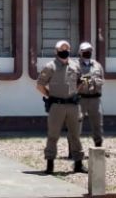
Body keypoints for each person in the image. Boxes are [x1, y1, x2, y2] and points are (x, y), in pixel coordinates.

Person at [37, 40, 85, 174]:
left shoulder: (75, 66)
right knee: (53, 135)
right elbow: (40, 85)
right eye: (62, 49)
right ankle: (50, 165)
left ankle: (78, 164)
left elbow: (80, 81)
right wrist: (50, 95)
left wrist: (78, 89)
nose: (65, 50)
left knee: (75, 135)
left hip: (73, 105)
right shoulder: (50, 66)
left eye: (67, 48)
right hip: (57, 106)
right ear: (56, 51)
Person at [77, 42, 105, 150]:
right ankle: (74, 150)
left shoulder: (97, 65)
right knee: (76, 124)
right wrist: (84, 80)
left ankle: (98, 147)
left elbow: (102, 79)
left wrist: (95, 82)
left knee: (97, 124)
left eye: (89, 51)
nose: (87, 53)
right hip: (80, 99)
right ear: (80, 52)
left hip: (95, 99)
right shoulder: (75, 65)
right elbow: (71, 81)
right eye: (85, 51)